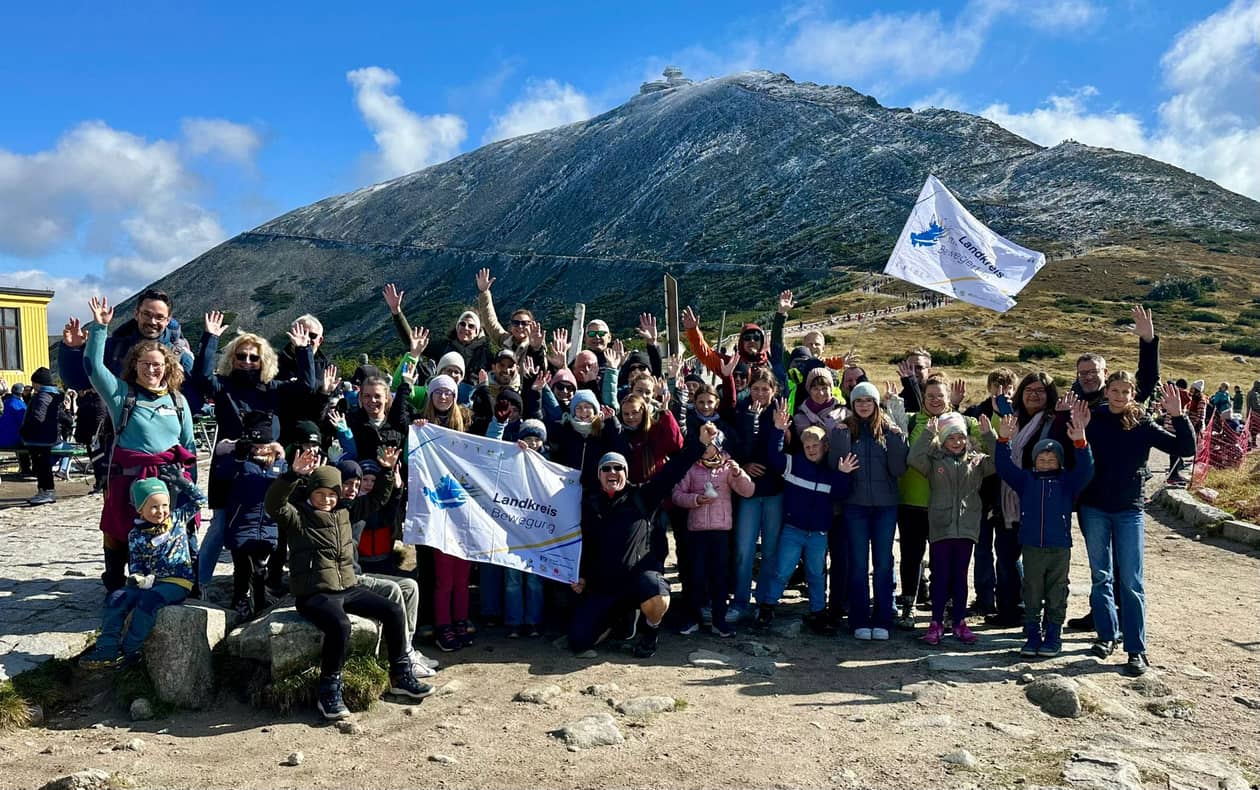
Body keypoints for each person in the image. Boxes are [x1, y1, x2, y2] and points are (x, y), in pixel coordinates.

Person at [265, 445, 433, 720]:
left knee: (392, 609)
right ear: (310, 493)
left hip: (348, 588)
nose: (327, 499)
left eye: (332, 494)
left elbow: (378, 498)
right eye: (320, 493)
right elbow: (274, 505)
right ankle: (329, 690)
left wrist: (388, 471)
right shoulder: (297, 517)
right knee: (340, 625)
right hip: (314, 594)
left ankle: (400, 674)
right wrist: (291, 475)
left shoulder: (345, 512)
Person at [75, 298, 198, 593]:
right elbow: (93, 368)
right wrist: (100, 329)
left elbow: (189, 446)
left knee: (173, 529)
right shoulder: (122, 395)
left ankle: (177, 581)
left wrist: (188, 484)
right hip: (128, 478)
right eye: (145, 364)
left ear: (167, 366)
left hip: (168, 480)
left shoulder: (178, 402)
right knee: (118, 529)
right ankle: (116, 584)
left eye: (157, 365)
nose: (152, 370)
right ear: (135, 366)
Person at [567, 423, 718, 659]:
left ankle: (650, 632)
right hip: (603, 586)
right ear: (599, 475)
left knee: (657, 593)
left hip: (637, 580)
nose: (612, 472)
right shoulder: (589, 504)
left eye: (618, 468)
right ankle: (622, 620)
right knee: (578, 642)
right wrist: (582, 575)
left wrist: (699, 444)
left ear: (626, 473)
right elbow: (584, 544)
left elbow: (672, 472)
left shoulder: (642, 497)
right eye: (606, 468)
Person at [193, 312, 320, 586]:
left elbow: (308, 386)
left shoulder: (272, 388)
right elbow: (201, 378)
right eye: (241, 356)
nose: (247, 362)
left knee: (266, 524)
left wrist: (303, 350)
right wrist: (210, 338)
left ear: (264, 360)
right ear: (232, 358)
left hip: (265, 468)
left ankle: (260, 585)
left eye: (253, 357)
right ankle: (200, 583)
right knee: (220, 524)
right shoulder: (224, 385)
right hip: (230, 467)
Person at [1078, 378, 1193, 676]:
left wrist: (1178, 416)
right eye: (1114, 391)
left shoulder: (1141, 423)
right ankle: (1106, 636)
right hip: (1094, 508)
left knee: (1131, 581)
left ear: (1133, 394)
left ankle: (1136, 649)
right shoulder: (1093, 418)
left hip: (1129, 510)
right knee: (1100, 576)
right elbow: (1072, 451)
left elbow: (1184, 447)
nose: (1119, 396)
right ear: (1106, 393)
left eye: (1125, 391)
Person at [994, 403, 1094, 658]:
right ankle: (1031, 635)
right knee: (1032, 590)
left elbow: (1086, 470)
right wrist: (1003, 439)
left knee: (1057, 591)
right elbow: (1004, 468)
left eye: (1052, 459)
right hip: (1031, 546)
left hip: (1059, 547)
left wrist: (1081, 443)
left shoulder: (1067, 482)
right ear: (1034, 461)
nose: (1047, 462)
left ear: (1059, 462)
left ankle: (1053, 634)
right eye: (1042, 458)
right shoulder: (1026, 480)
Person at [756, 403, 857, 632]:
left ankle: (818, 612)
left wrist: (843, 475)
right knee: (782, 570)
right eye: (807, 445)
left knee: (816, 573)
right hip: (793, 530)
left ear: (825, 445)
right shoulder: (792, 464)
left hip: (819, 534)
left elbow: (841, 494)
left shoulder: (830, 474)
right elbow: (774, 456)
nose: (811, 449)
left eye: (815, 445)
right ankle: (767, 607)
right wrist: (779, 430)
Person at [79, 478, 196, 669]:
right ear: (140, 509)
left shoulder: (177, 519)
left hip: (177, 581)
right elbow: (136, 565)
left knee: (148, 602)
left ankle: (130, 650)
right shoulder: (135, 535)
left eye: (164, 505)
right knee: (116, 597)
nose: (160, 511)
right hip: (150, 582)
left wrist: (181, 481)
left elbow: (200, 500)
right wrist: (137, 576)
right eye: (153, 507)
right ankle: (107, 649)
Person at [908, 412, 995, 646]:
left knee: (960, 577)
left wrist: (990, 435)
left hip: (966, 527)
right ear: (943, 440)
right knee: (940, 577)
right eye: (951, 438)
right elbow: (913, 458)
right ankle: (936, 623)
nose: (957, 442)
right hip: (941, 527)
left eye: (960, 437)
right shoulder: (934, 460)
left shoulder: (977, 461)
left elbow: (999, 463)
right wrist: (928, 433)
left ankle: (959, 623)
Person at [829, 382, 908, 640]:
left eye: (868, 400)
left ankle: (883, 619)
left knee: (883, 563)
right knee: (858, 564)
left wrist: (897, 437)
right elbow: (836, 465)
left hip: (885, 507)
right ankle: (859, 619)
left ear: (876, 404)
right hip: (855, 506)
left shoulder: (889, 432)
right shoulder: (844, 431)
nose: (863, 405)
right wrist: (840, 438)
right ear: (852, 404)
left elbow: (898, 470)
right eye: (858, 401)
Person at [671, 431, 755, 636]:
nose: (706, 449)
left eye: (710, 445)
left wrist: (739, 474)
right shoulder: (692, 467)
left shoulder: (727, 467)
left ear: (718, 446)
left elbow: (748, 491)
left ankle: (719, 621)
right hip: (697, 530)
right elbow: (677, 495)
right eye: (704, 445)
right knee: (695, 576)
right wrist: (696, 500)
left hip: (721, 531)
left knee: (720, 577)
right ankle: (692, 618)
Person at [212, 412, 286, 619]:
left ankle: (261, 601)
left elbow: (288, 487)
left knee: (261, 567)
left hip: (269, 526)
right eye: (255, 445)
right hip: (241, 524)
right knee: (242, 567)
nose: (259, 449)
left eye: (263, 445)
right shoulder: (240, 460)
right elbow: (221, 474)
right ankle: (240, 598)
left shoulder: (279, 464)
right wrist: (238, 456)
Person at [727, 369, 785, 625]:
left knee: (771, 549)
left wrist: (779, 428)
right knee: (743, 549)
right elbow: (734, 446)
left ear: (774, 391)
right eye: (756, 388)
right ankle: (741, 601)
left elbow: (780, 453)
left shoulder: (780, 412)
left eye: (765, 389)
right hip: (748, 490)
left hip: (774, 490)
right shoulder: (741, 410)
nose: (760, 393)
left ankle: (764, 601)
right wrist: (745, 464)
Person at [962, 367, 1016, 618]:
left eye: (1007, 387)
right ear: (989, 388)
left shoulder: (1019, 414)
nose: (1001, 392)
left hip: (1008, 493)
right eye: (997, 386)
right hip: (980, 491)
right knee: (982, 548)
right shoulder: (975, 413)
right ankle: (984, 599)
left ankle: (1011, 600)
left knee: (1008, 551)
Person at [21, 367, 65, 505]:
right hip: (46, 436)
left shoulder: (42, 396)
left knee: (42, 466)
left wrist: (26, 429)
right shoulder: (54, 396)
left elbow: (37, 417)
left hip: (39, 437)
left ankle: (47, 491)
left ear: (38, 383)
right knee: (41, 465)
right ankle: (43, 490)